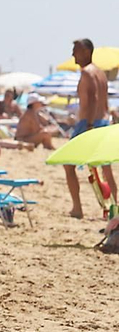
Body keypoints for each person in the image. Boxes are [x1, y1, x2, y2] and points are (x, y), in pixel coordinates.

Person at [66, 38, 115, 219]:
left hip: (89, 122)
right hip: (102, 121)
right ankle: (116, 206)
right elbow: (105, 102)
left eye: (76, 50)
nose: (73, 54)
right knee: (105, 167)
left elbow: (93, 98)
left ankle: (77, 208)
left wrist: (88, 126)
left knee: (68, 163)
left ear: (86, 51)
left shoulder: (87, 72)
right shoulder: (101, 73)